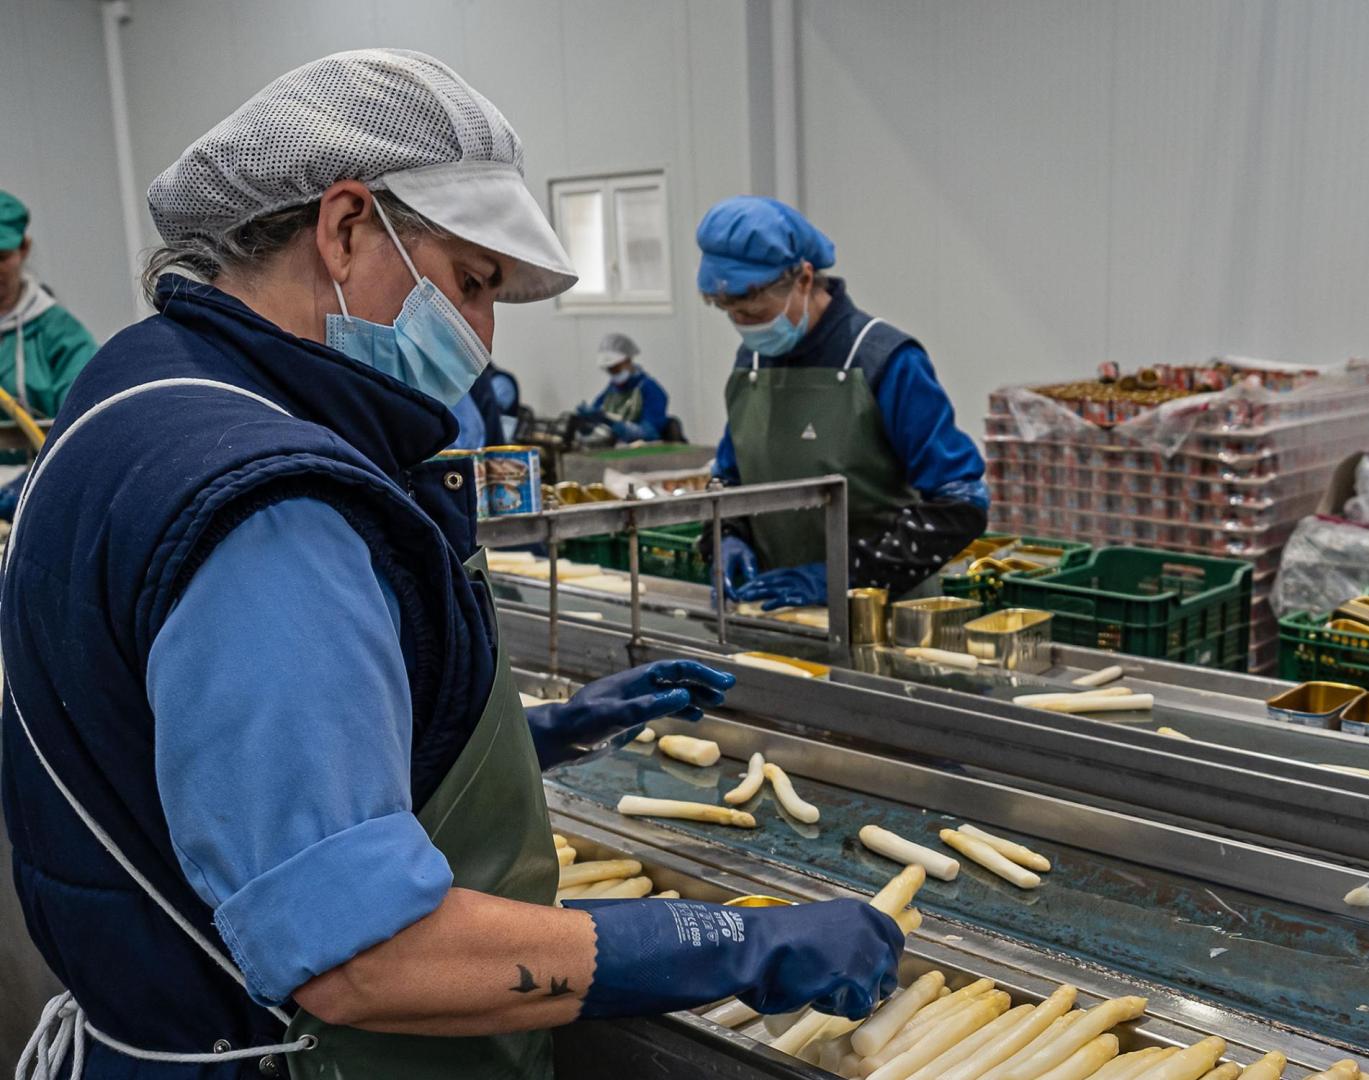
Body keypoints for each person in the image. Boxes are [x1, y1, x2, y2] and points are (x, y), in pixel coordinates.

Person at [2, 50, 901, 1079]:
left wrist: (548, 731)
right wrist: (733, 941)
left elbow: (225, 757)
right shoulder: (270, 504)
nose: (478, 339)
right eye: (470, 284)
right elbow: (362, 954)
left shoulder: (140, 387)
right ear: (343, 229)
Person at [697, 195, 988, 609]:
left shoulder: (885, 361)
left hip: (884, 618)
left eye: (755, 311)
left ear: (803, 279)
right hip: (776, 609)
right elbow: (731, 477)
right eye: (732, 314)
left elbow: (960, 502)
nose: (744, 326)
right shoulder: (752, 364)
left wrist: (848, 574)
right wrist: (727, 535)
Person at [0, 190, 98, 420]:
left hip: (35, 456)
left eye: (1, 256)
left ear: (24, 248)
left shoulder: (60, 334)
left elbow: (82, 416)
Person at [576, 332, 672, 443]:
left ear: (628, 361)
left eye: (616, 368)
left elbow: (649, 433)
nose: (613, 373)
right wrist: (586, 424)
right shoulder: (610, 390)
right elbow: (596, 416)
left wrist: (611, 423)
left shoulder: (651, 390)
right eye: (609, 370)